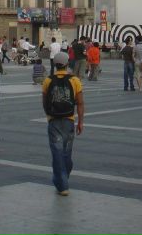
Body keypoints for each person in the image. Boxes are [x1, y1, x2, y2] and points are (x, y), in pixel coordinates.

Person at [42, 52, 84, 196]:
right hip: (69, 120)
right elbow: (80, 103)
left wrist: (48, 115)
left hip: (53, 120)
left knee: (57, 153)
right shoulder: (75, 80)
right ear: (67, 64)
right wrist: (80, 122)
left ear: (55, 64)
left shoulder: (48, 80)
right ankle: (62, 180)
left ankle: (62, 184)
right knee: (66, 153)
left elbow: (44, 101)